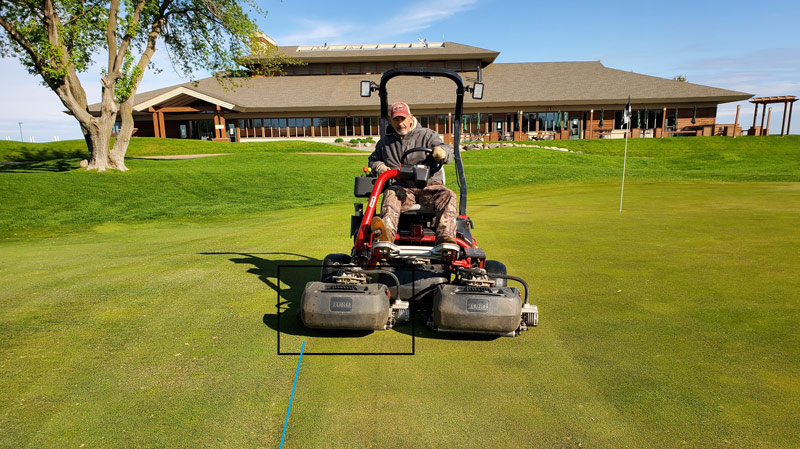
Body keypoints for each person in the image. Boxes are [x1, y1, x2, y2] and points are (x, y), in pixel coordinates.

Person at [367, 101, 458, 246]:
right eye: (396, 119)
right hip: (403, 189)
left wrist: (442, 152)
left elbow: (446, 149)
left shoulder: (428, 135)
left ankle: (445, 238)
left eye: (403, 119)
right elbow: (373, 160)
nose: (400, 123)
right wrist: (380, 166)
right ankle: (385, 238)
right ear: (391, 121)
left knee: (448, 195)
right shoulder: (385, 142)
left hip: (430, 187)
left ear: (411, 117)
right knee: (390, 194)